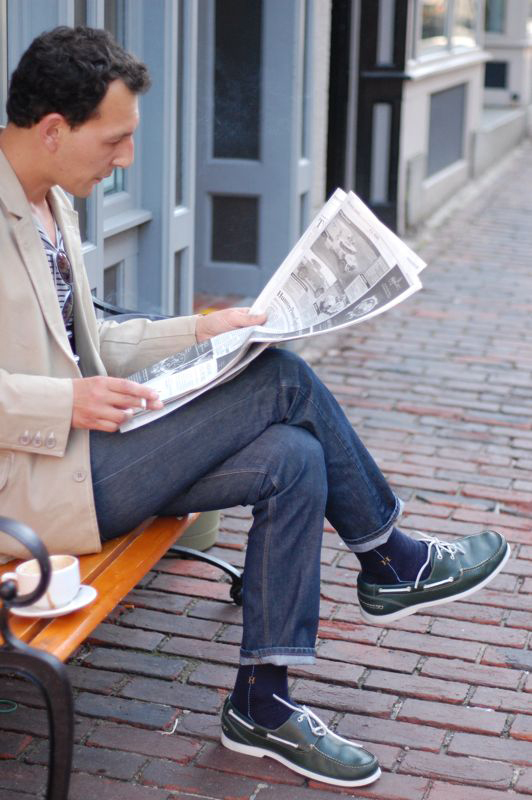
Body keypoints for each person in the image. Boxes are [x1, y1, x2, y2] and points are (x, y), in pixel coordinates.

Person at [0, 26, 510, 789]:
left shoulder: (50, 203)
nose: (126, 160)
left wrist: (206, 328)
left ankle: (262, 704)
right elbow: (60, 379)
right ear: (51, 130)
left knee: (293, 459)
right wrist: (63, 399)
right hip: (33, 486)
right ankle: (390, 558)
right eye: (116, 141)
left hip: (94, 458)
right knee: (282, 382)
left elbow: (94, 331)